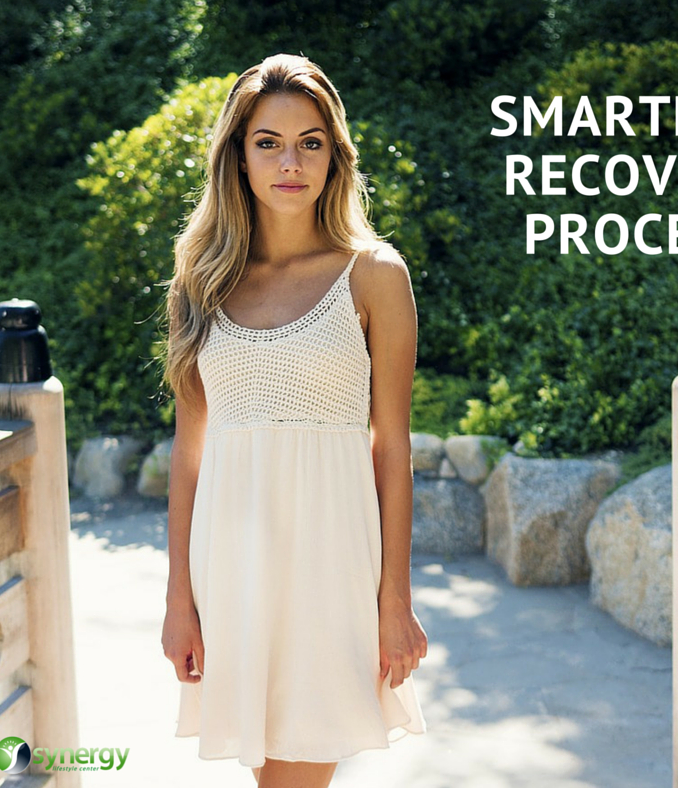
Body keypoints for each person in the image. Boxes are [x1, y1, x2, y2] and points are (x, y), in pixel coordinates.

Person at [160, 53, 428, 788]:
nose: (290, 161)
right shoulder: (202, 281)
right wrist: (179, 598)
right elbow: (190, 455)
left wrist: (394, 601)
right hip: (232, 569)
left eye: (310, 141)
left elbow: (391, 447)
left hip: (330, 565)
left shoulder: (374, 275)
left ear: (334, 156)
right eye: (268, 142)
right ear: (238, 157)